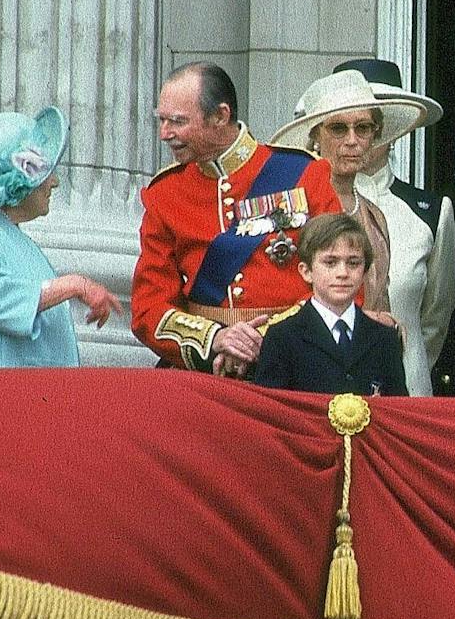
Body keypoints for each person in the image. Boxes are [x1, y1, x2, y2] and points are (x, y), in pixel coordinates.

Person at [132, 62, 341, 376]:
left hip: (295, 365)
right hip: (207, 372)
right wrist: (215, 339)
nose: (165, 134)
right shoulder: (165, 193)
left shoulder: (303, 174)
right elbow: (148, 308)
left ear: (220, 116)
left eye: (177, 121)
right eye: (161, 120)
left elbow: (341, 278)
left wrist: (261, 341)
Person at [0, 106, 121, 367]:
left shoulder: (7, 234)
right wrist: (74, 285)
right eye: (46, 173)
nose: (55, 183)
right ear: (18, 181)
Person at [331, 58, 455, 398]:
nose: (357, 138)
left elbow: (436, 316)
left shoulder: (430, 212)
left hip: (408, 393)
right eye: (342, 126)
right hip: (324, 393)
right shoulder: (310, 205)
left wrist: (406, 364)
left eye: (368, 125)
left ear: (389, 129)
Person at [269, 70, 433, 322]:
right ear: (315, 136)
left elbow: (382, 303)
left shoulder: (375, 215)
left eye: (363, 128)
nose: (352, 140)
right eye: (338, 129)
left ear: (375, 135)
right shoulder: (291, 210)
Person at [254, 214, 408, 397]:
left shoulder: (384, 338)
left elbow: (397, 411)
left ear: (365, 271)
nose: (342, 273)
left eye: (353, 263)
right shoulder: (282, 337)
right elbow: (271, 413)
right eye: (330, 262)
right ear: (306, 271)